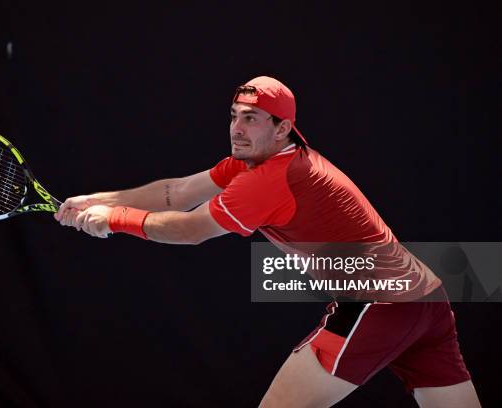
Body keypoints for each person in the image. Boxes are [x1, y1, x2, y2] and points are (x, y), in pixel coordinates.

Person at [54, 76, 481, 407]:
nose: (236, 129)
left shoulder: (273, 179)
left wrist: (114, 219)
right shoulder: (260, 162)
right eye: (234, 115)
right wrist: (97, 199)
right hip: (427, 300)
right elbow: (176, 192)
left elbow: (190, 228)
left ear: (283, 128)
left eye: (251, 119)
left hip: (380, 305)